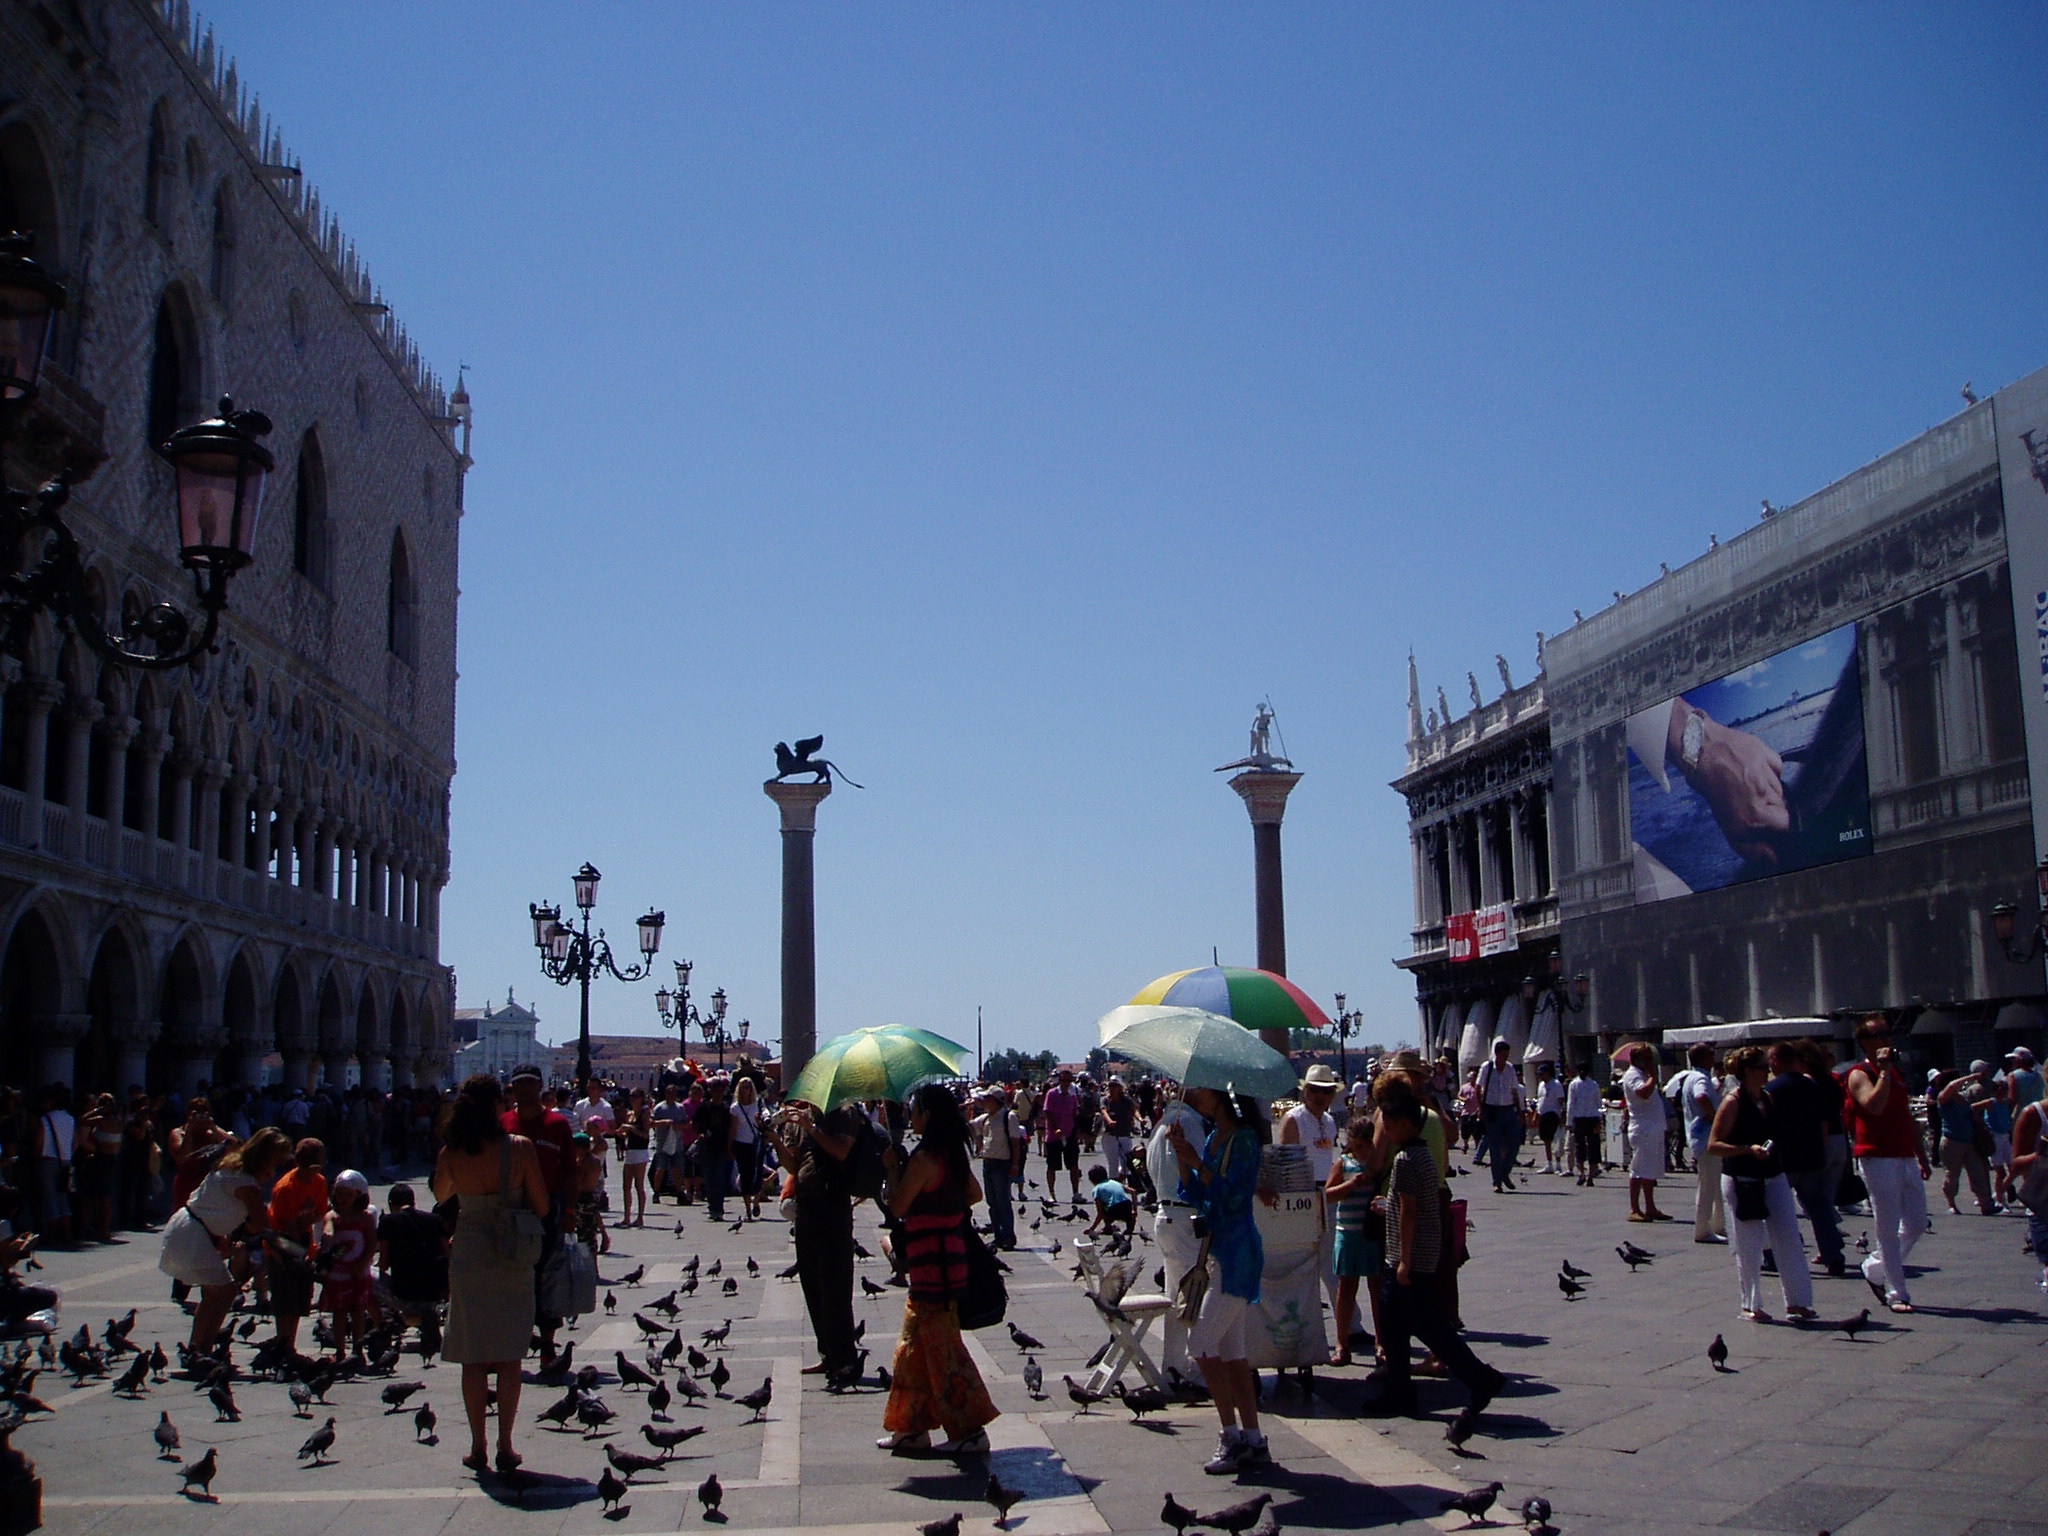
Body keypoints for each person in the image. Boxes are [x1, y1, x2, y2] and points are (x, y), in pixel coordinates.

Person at [1358, 1080, 1505, 1428]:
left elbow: (1410, 1211)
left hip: (1407, 1259)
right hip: (1420, 1255)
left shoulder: (1406, 1161)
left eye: (1391, 1126)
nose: (1388, 1132)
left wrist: (1404, 1260)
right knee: (1417, 1325)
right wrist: (1388, 1206)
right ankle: (1425, 1386)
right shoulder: (1424, 1154)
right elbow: (1410, 1204)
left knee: (1415, 1326)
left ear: (1407, 1124)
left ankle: (1468, 1379)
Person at [434, 1073, 551, 1475]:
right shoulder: (519, 1148)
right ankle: (506, 1443)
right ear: (495, 1107)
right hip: (510, 1253)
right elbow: (542, 1205)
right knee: (508, 1354)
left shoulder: (451, 1151)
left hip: (468, 1249)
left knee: (472, 1353)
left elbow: (440, 1194)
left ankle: (477, 1445)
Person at [875, 1083, 999, 1456]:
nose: (910, 1116)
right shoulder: (951, 1154)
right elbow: (974, 1195)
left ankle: (969, 1430)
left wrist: (894, 1168)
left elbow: (898, 1206)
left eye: (914, 1110)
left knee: (945, 1354)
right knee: (911, 1351)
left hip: (934, 1268)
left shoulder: (926, 1157)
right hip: (948, 1260)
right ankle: (910, 1426)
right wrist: (947, 1206)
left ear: (927, 1115)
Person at [1167, 1087, 1272, 1476]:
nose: (1195, 1096)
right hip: (1219, 1254)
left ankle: (1230, 1433)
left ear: (1221, 1097)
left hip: (1237, 1255)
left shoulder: (1244, 1140)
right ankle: (1254, 1439)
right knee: (1233, 1354)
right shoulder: (1214, 1138)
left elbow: (1233, 1196)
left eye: (1203, 1092)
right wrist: (1184, 1159)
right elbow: (1198, 1194)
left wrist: (1198, 1162)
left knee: (1201, 1342)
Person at [1706, 1047, 1817, 1323]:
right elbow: (1714, 1145)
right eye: (1761, 1067)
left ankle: (1798, 1302)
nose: (1767, 1071)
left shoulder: (1768, 1098)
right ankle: (1751, 1304)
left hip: (1773, 1173)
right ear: (1747, 1071)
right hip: (1742, 1178)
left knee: (1789, 1237)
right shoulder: (1733, 1101)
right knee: (1749, 1243)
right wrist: (1747, 1149)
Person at [159, 1127, 291, 1353]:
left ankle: (196, 1346)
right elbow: (261, 1223)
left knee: (213, 1294)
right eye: (275, 1162)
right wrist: (287, 1250)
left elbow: (231, 1212)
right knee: (226, 1291)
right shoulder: (246, 1183)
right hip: (194, 1233)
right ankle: (205, 1348)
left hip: (189, 1226)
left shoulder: (230, 1167)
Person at [770, 1097, 863, 1386]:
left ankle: (844, 1358)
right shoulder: (803, 1117)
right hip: (807, 1204)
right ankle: (827, 1353)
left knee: (835, 1281)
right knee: (811, 1280)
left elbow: (841, 1151)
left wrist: (812, 1128)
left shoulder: (843, 1112)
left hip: (832, 1203)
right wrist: (774, 1137)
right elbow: (793, 1165)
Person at [1842, 1015, 1930, 1313]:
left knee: (1918, 1222)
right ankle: (1897, 1292)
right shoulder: (1859, 1074)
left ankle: (1876, 1267)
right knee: (1888, 1226)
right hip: (1877, 1157)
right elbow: (1874, 1106)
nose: (1886, 1040)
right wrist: (1883, 1072)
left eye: (1887, 1034)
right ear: (1865, 1042)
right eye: (1878, 1036)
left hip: (1903, 1154)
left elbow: (1905, 1116)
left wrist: (1921, 1154)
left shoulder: (1896, 1075)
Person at [502, 1065, 576, 1365]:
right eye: (519, 1085)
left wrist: (570, 1210)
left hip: (549, 1208)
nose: (525, 1091)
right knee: (513, 1277)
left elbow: (570, 1171)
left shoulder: (557, 1125)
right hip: (512, 1209)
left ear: (541, 1087)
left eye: (530, 1085)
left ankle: (547, 1343)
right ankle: (515, 1342)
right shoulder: (504, 1123)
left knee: (547, 1276)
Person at [1765, 1042, 1846, 1277]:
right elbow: (1824, 1122)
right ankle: (1833, 1255)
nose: (1769, 1064)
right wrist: (1820, 1146)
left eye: (1771, 1059)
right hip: (1812, 1155)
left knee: (1777, 1207)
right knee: (1820, 1208)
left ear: (1778, 1060)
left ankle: (1775, 1254)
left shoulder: (1772, 1089)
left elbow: (1768, 1125)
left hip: (1786, 1157)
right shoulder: (1812, 1086)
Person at [1145, 1085, 1207, 1377]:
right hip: (1184, 1214)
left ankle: (1173, 1366)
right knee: (1194, 1295)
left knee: (1175, 1295)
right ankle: (1195, 1369)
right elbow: (1197, 1168)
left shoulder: (1160, 1125)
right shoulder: (1189, 1123)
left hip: (1164, 1212)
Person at [1283, 1063, 1344, 1334]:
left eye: (1327, 1091)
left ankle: (1348, 1324)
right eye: (1316, 1091)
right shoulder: (1294, 1119)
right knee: (1303, 1265)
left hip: (1327, 1193)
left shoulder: (1330, 1121)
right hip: (1302, 1194)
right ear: (1305, 1092)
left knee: (1332, 1263)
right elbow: (1285, 1163)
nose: (1321, 1096)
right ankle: (1303, 1326)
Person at [1325, 1115, 1382, 1368]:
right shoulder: (1344, 1163)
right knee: (1346, 1289)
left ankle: (1382, 1343)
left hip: (1373, 1232)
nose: (1360, 1151)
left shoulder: (1378, 1166)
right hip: (1347, 1232)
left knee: (1378, 1290)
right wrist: (1350, 1185)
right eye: (1356, 1146)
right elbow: (1327, 1195)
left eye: (1366, 1146)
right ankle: (1342, 1342)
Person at [268, 1137, 329, 1353]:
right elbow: (289, 1226)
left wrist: (306, 1226)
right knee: (285, 1299)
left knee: (300, 1300)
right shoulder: (286, 1187)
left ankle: (289, 1345)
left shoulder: (319, 1182)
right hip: (281, 1243)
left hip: (302, 1238)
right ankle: (283, 1345)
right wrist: (302, 1254)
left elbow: (321, 1212)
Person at [320, 1170, 378, 1361]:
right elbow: (328, 1226)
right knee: (339, 1313)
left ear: (359, 1196)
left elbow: (371, 1243)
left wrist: (363, 1263)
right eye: (340, 1194)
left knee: (359, 1312)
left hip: (359, 1271)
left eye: (349, 1195)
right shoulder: (333, 1216)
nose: (343, 1199)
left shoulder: (365, 1217)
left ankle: (357, 1350)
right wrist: (328, 1233)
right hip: (338, 1274)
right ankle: (339, 1351)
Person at [1671, 1045, 1725, 1242]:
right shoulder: (1701, 1079)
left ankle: (1718, 1225)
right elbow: (1701, 1096)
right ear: (1704, 1058)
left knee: (1713, 1184)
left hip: (1699, 1138)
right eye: (1711, 1055)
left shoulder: (1691, 1077)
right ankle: (1703, 1229)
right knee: (1708, 1185)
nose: (1714, 1058)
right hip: (1706, 1138)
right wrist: (1715, 1115)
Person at [376, 1182, 448, 1325]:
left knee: (365, 1278)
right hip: (433, 1293)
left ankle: (386, 1323)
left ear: (391, 1203)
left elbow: (383, 1264)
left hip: (403, 1293)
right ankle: (424, 1320)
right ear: (413, 1202)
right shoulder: (434, 1220)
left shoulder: (388, 1222)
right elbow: (448, 1255)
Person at [1935, 1063, 1998, 1216]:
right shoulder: (1943, 1098)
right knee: (1952, 1175)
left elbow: (1971, 1111)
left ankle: (1985, 1204)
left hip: (1969, 1141)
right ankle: (1952, 1204)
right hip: (1952, 1141)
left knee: (1978, 1173)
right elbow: (1950, 1086)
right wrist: (1971, 1077)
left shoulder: (1962, 1098)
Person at [1620, 1046, 1672, 1221]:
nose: (1651, 1062)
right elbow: (1643, 1093)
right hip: (1643, 1128)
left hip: (1652, 1127)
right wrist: (1653, 1077)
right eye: (1647, 1058)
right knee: (1638, 1169)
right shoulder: (1633, 1075)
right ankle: (1634, 1208)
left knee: (1649, 1170)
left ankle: (1650, 1207)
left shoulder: (1642, 1075)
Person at [970, 1087, 1025, 1250]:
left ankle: (1008, 1236)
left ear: (997, 1101)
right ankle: (998, 1236)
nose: (985, 1102)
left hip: (1002, 1163)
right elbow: (971, 1127)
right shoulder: (986, 1118)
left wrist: (1015, 1165)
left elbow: (1016, 1143)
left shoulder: (1009, 1117)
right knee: (992, 1202)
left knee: (1003, 1201)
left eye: (988, 1099)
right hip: (988, 1162)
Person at [1475, 1039, 1524, 1192]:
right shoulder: (1487, 1067)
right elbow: (1478, 1088)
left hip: (1508, 1109)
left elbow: (1514, 1090)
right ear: (1496, 1054)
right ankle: (1497, 1181)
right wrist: (1481, 1107)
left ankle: (1505, 1172)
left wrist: (1520, 1111)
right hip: (1492, 1110)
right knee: (1495, 1147)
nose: (1505, 1059)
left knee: (1515, 1142)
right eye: (1503, 1055)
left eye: (1507, 1055)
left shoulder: (1510, 1068)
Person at [1040, 1068, 1083, 1204]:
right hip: (1054, 1136)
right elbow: (1047, 1112)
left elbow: (1075, 1114)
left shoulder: (1072, 1096)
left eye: (1069, 1081)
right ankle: (1051, 1193)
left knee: (1074, 1165)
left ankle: (1075, 1193)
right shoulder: (1052, 1094)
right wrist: (1055, 1128)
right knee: (1052, 1166)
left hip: (1069, 1135)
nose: (1066, 1083)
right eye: (1063, 1080)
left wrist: (1077, 1131)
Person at [614, 1089, 651, 1229]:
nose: (633, 1099)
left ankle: (640, 1217)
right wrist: (623, 1133)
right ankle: (627, 1217)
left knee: (639, 1185)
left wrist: (632, 1128)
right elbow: (628, 1133)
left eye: (636, 1096)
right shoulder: (630, 1114)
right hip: (630, 1151)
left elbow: (646, 1134)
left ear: (642, 1098)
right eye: (631, 1096)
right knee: (626, 1186)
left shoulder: (644, 1113)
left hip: (641, 1152)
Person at [731, 1077, 766, 1221]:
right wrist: (730, 1146)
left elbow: (765, 1115)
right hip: (741, 1143)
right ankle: (748, 1209)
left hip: (756, 1141)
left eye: (749, 1087)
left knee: (757, 1173)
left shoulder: (758, 1103)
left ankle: (756, 1201)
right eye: (744, 1087)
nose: (747, 1090)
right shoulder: (735, 1108)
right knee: (745, 1175)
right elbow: (733, 1129)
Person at [650, 1080, 690, 1205]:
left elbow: (686, 1123)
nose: (670, 1095)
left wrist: (678, 1126)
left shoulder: (680, 1108)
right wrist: (665, 1123)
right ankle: (656, 1192)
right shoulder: (659, 1108)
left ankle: (679, 1192)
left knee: (676, 1169)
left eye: (673, 1093)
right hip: (662, 1143)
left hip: (676, 1143)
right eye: (668, 1092)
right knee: (661, 1168)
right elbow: (652, 1123)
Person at [1566, 1061, 1605, 1184]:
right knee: (1591, 1147)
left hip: (1581, 1119)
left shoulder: (1574, 1084)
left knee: (1581, 1147)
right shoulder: (1593, 1084)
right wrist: (1601, 1118)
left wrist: (1569, 1122)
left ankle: (1584, 1174)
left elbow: (1570, 1104)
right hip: (1591, 1118)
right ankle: (1589, 1176)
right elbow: (1599, 1103)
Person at [1099, 1078, 1139, 1184]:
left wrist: (1140, 1119)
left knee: (1127, 1162)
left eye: (1115, 1086)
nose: (1113, 1088)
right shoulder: (1105, 1100)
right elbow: (1104, 1111)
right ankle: (1114, 1186)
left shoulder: (1126, 1100)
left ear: (1120, 1087)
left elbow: (1134, 1110)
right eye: (1111, 1086)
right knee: (1113, 1163)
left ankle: (1122, 1183)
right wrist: (1110, 1121)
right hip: (1110, 1135)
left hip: (1125, 1133)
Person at [1530, 1062, 1565, 1175]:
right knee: (1546, 1139)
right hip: (1543, 1114)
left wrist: (1561, 1116)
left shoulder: (1556, 1084)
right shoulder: (1541, 1085)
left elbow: (1560, 1101)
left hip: (1553, 1114)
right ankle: (1549, 1163)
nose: (1540, 1076)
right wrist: (1536, 1115)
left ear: (1548, 1073)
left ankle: (1558, 1164)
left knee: (1556, 1139)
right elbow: (1540, 1101)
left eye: (1542, 1074)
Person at [1085, 1164, 1136, 1236]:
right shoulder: (1115, 1182)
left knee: (1104, 1207)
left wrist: (1092, 1229)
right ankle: (1130, 1221)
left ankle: (1108, 1227)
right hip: (1127, 1205)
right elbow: (1133, 1192)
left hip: (1114, 1209)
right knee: (1127, 1212)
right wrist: (1134, 1209)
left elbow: (1100, 1213)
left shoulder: (1096, 1189)